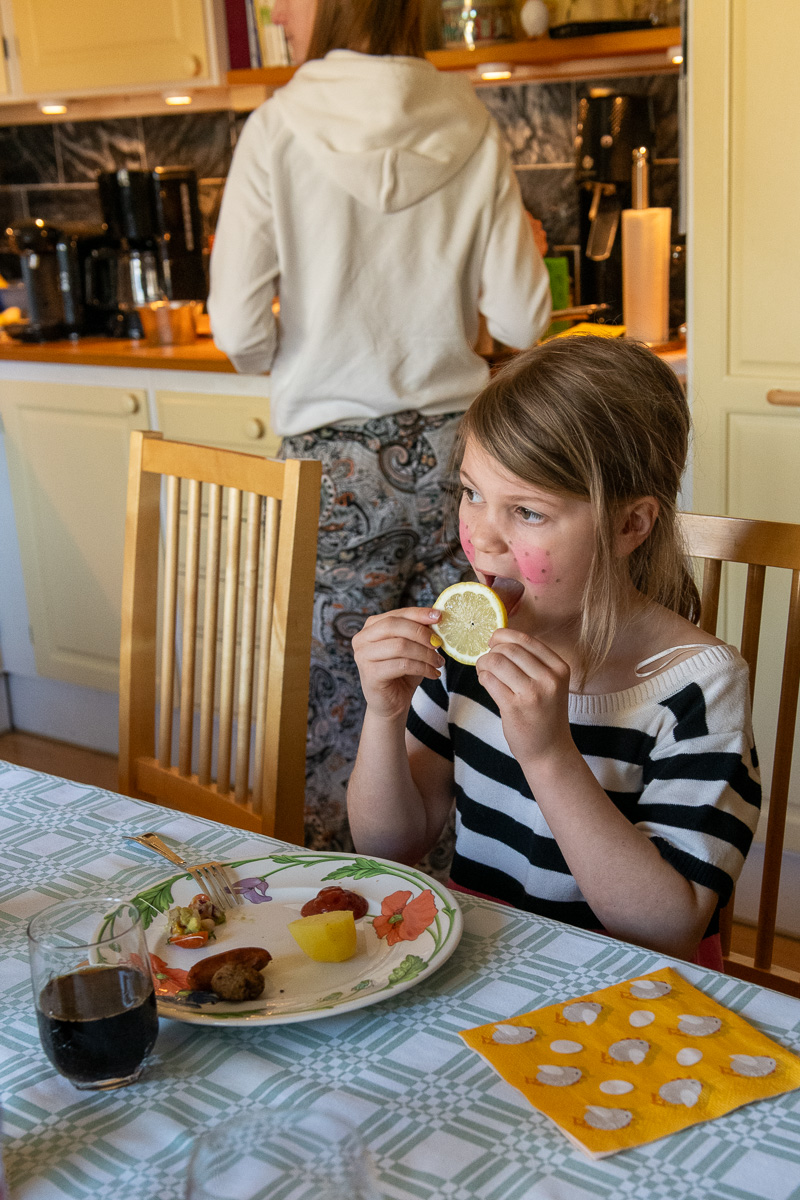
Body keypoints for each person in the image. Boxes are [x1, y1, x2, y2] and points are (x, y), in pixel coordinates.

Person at [208, 0, 552, 854]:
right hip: (458, 464)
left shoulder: (277, 126)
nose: (278, 10)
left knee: (342, 700)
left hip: (330, 471)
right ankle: (473, 901)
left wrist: (311, 341)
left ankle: (351, 923)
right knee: (465, 681)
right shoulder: (470, 119)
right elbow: (522, 313)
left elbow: (238, 335)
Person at [348, 335, 761, 964]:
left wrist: (547, 754)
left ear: (630, 525)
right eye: (472, 493)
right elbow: (387, 847)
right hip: (486, 960)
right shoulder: (464, 645)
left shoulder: (697, 689)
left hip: (629, 991)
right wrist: (383, 716)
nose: (483, 537)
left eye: (528, 512)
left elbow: (666, 928)